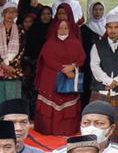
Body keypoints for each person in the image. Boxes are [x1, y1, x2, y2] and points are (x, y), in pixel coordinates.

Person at [34, 7, 85, 136]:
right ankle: (48, 129)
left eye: (66, 28)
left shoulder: (75, 42)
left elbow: (82, 57)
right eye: (61, 28)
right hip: (51, 78)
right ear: (56, 29)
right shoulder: (50, 43)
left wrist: (73, 66)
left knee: (68, 103)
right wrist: (64, 70)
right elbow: (47, 59)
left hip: (69, 78)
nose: (63, 30)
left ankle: (66, 130)